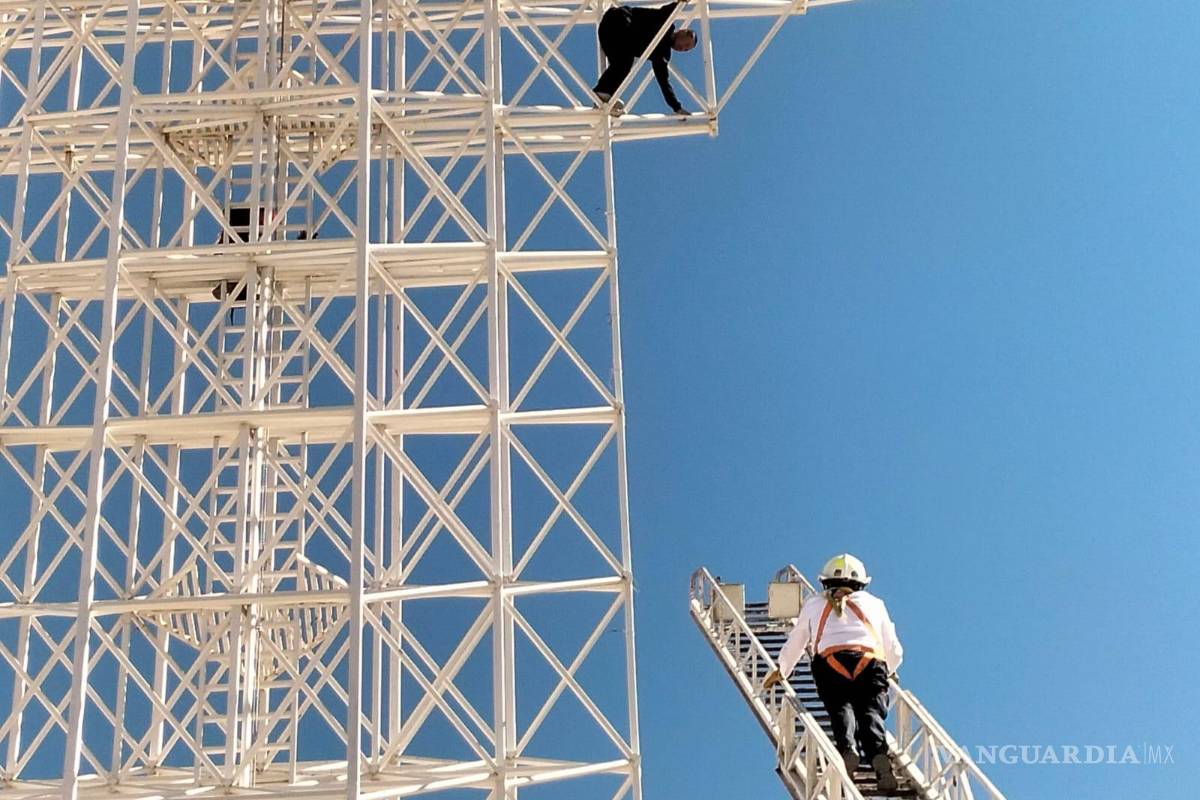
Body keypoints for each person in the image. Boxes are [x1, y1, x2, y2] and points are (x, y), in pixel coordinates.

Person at [763, 553, 904, 792]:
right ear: (861, 583)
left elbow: (797, 641)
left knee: (841, 707)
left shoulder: (814, 604)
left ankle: (848, 750)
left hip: (830, 663)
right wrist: (890, 669)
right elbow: (894, 648)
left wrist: (782, 670)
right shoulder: (875, 603)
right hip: (871, 662)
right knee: (871, 710)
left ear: (824, 582)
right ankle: (879, 757)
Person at [593, 0, 698, 114]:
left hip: (613, 38)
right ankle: (602, 92)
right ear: (682, 32)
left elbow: (664, 82)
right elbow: (670, 10)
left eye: (686, 49)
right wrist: (681, 2)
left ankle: (603, 95)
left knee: (623, 64)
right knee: (625, 60)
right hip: (618, 20)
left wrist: (677, 108)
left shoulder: (662, 55)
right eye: (686, 44)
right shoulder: (666, 23)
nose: (683, 49)